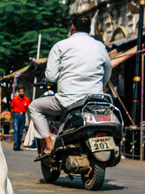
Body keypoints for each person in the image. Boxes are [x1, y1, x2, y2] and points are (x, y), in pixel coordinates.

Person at [29, 15, 112, 159]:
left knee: (34, 107)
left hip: (67, 101)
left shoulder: (61, 45)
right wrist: (100, 86)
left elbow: (51, 77)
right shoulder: (100, 46)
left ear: (73, 28)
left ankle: (49, 144)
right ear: (89, 28)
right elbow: (108, 69)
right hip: (95, 101)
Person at [10, 86, 30, 151]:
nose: (21, 92)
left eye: (22, 91)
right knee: (16, 130)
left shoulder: (27, 100)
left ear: (24, 92)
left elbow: (30, 107)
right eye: (20, 91)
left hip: (23, 115)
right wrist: (11, 118)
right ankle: (15, 145)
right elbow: (12, 109)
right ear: (18, 92)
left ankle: (18, 145)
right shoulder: (14, 99)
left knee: (21, 131)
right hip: (16, 115)